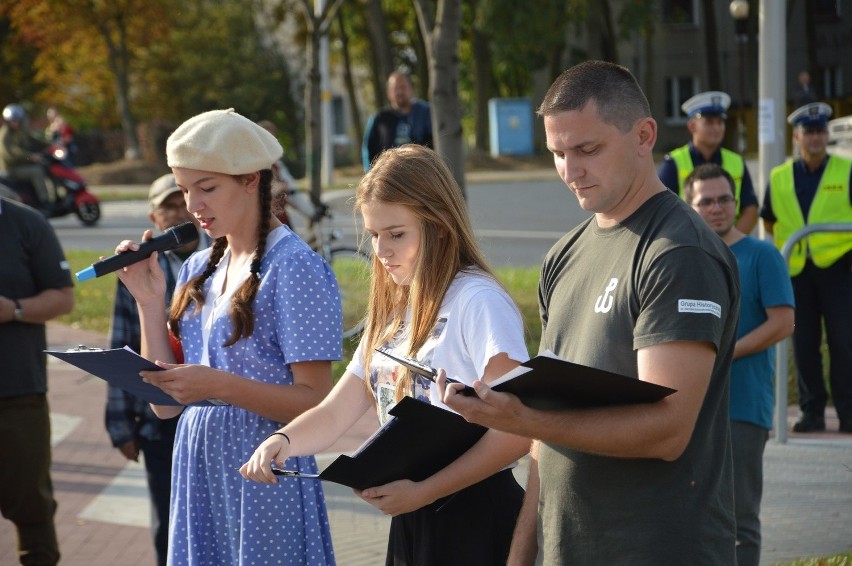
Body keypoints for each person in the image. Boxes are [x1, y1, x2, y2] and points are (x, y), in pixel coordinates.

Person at [440, 60, 740, 564]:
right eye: (557, 153)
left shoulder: (677, 252)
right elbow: (547, 417)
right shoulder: (564, 255)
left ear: (644, 136)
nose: (569, 170)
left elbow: (668, 431)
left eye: (587, 149)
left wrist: (524, 418)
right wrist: (522, 552)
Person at [240, 144, 530, 566]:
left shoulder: (477, 300)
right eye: (374, 235)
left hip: (474, 515)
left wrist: (428, 490)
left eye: (397, 234)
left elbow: (518, 430)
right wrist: (281, 441)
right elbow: (336, 411)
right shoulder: (393, 310)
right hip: (413, 515)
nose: (381, 250)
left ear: (441, 226)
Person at [113, 108, 342, 564]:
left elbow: (316, 400)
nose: (193, 204)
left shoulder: (295, 267)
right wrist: (147, 300)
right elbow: (164, 403)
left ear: (251, 180)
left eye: (207, 187)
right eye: (183, 188)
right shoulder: (199, 267)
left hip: (265, 464)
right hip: (199, 460)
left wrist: (217, 386)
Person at [684, 163, 795, 566]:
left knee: (740, 517)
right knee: (691, 512)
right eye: (706, 201)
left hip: (743, 406)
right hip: (687, 408)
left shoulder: (761, 255)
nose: (717, 208)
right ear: (689, 206)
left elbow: (783, 322)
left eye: (724, 199)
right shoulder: (683, 258)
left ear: (736, 202)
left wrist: (723, 354)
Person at [104, 173, 210, 566]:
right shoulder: (140, 268)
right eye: (168, 206)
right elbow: (122, 342)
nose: (179, 211)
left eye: (184, 200)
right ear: (154, 217)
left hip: (210, 409)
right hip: (160, 419)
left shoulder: (221, 257)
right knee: (169, 522)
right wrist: (120, 421)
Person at [760, 102, 852, 434]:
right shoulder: (780, 176)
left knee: (844, 342)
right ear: (797, 137)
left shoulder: (846, 170)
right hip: (797, 271)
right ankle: (811, 412)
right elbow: (769, 220)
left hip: (839, 270)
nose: (816, 137)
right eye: (809, 132)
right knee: (804, 344)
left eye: (820, 130)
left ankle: (848, 411)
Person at [0, 196, 74, 565]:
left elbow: (63, 298)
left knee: (32, 506)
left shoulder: (27, 223)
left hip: (17, 393)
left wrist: (13, 310)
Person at [658, 91, 759, 233]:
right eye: (709, 122)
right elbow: (660, 211)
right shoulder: (673, 163)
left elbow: (750, 210)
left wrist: (729, 244)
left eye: (720, 122)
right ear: (692, 126)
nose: (717, 128)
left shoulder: (737, 162)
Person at [362, 71, 433, 171]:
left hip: (420, 174)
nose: (399, 92)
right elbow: (368, 148)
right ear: (388, 92)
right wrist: (369, 173)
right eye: (395, 88)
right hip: (388, 175)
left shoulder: (425, 113)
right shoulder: (379, 118)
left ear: (411, 89)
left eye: (403, 87)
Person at [0, 103, 53, 209]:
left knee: (45, 167)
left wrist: (51, 145)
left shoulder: (20, 132)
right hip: (11, 169)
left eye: (17, 120)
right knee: (37, 171)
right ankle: (44, 201)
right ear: (7, 121)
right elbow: (13, 152)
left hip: (22, 165)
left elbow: (34, 140)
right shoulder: (5, 135)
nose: (16, 123)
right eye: (13, 120)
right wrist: (30, 156)